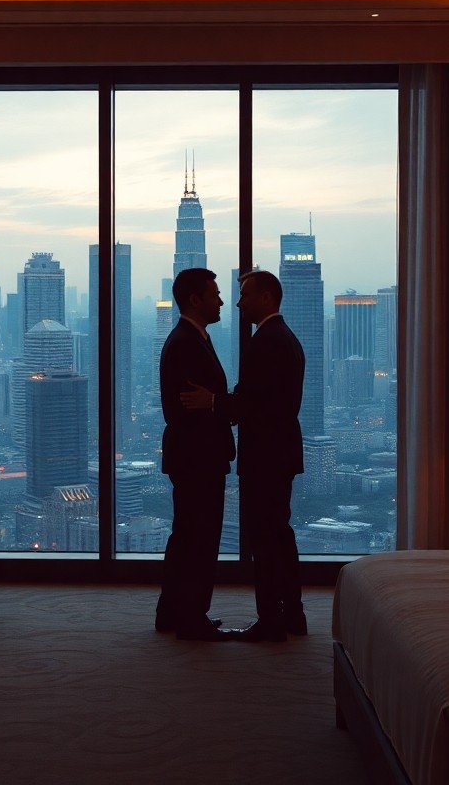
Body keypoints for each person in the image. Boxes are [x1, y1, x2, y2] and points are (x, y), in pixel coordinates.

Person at [181, 270, 305, 642]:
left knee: (265, 540)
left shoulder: (266, 341)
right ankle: (291, 613)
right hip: (280, 453)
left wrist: (213, 402)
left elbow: (256, 404)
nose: (237, 303)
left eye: (245, 295)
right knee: (279, 535)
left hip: (266, 456)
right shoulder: (284, 337)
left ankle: (271, 621)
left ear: (266, 298)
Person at [156, 268, 235, 641]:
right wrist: (222, 405)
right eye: (214, 294)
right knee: (200, 539)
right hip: (198, 457)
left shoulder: (193, 338)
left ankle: (173, 612)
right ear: (194, 300)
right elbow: (189, 408)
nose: (221, 301)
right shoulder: (186, 343)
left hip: (194, 456)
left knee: (187, 536)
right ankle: (191, 617)